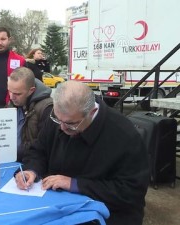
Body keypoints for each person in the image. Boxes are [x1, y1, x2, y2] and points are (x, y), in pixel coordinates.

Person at [15, 81, 149, 225]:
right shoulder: (61, 118)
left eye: (70, 124)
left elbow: (131, 191)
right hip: (60, 205)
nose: (62, 127)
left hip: (108, 214)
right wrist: (31, 170)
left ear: (91, 113)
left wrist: (75, 184)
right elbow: (38, 150)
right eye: (58, 119)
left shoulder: (123, 135)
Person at [7, 67, 53, 162]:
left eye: (17, 94)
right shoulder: (13, 102)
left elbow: (45, 148)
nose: (11, 97)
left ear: (31, 90)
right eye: (9, 91)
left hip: (31, 164)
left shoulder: (47, 108)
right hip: (11, 160)